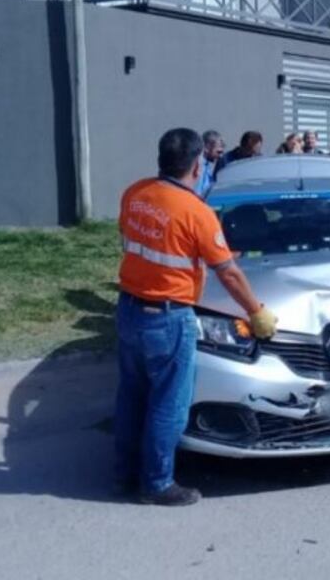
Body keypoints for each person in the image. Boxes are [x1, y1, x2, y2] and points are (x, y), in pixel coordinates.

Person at [115, 127, 278, 506]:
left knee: (131, 396)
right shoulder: (196, 212)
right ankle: (157, 484)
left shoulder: (135, 193)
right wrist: (256, 312)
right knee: (168, 403)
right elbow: (229, 274)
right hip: (167, 318)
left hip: (129, 310)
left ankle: (123, 475)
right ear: (196, 165)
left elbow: (148, 240)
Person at [194, 130, 224, 196]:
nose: (221, 156)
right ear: (206, 148)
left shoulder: (207, 165)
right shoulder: (197, 167)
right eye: (218, 152)